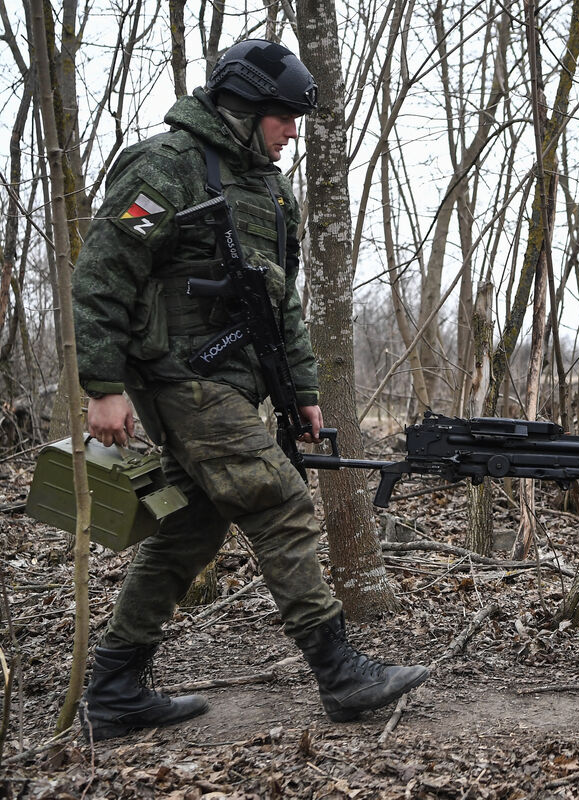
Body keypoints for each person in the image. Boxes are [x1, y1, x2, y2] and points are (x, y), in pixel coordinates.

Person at [72, 38, 428, 741]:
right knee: (280, 502)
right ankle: (341, 674)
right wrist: (103, 385)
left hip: (233, 381)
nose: (293, 131)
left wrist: (300, 388)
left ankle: (114, 691)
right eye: (284, 117)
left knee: (188, 531)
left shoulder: (270, 188)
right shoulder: (164, 167)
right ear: (244, 107)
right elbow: (103, 272)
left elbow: (279, 300)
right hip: (179, 378)